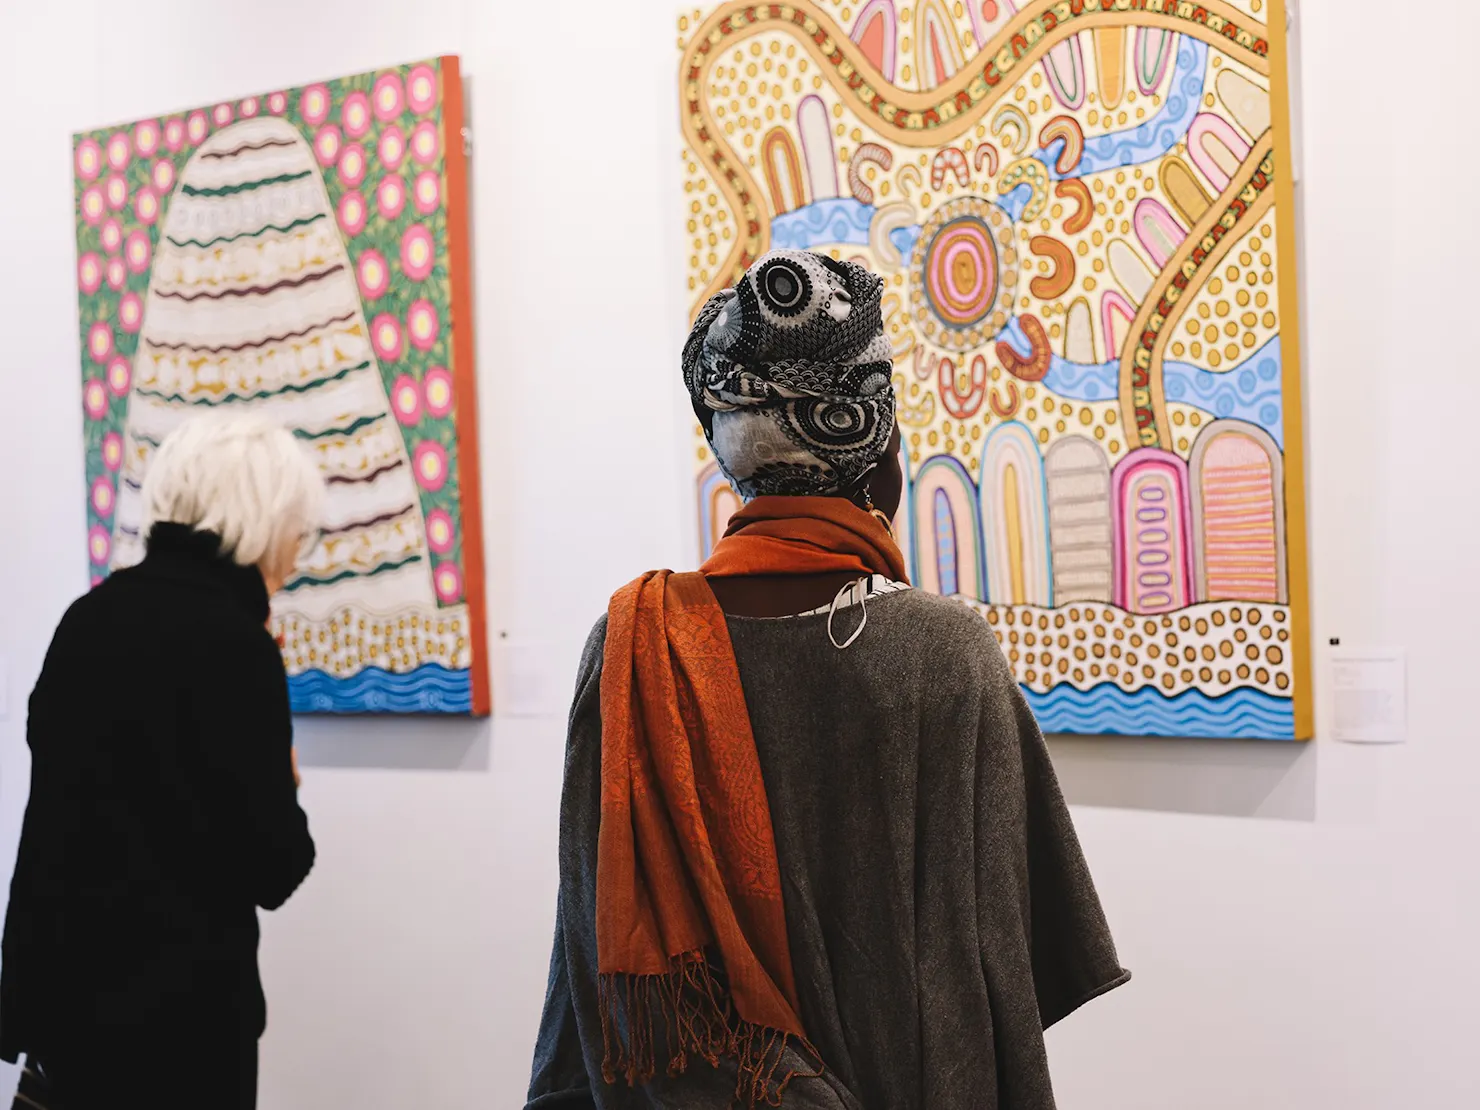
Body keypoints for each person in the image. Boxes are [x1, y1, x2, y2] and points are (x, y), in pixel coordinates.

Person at [526, 250, 1128, 1109]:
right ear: (875, 451)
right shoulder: (942, 651)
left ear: (735, 464)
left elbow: (586, 951)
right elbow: (1008, 966)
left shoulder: (628, 646)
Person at [0, 413, 324, 1109]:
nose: (300, 546)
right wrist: (287, 781)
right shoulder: (238, 646)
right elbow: (275, 866)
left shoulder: (86, 622)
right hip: (181, 1029)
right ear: (261, 519)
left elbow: (56, 821)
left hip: (67, 1016)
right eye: (300, 525)